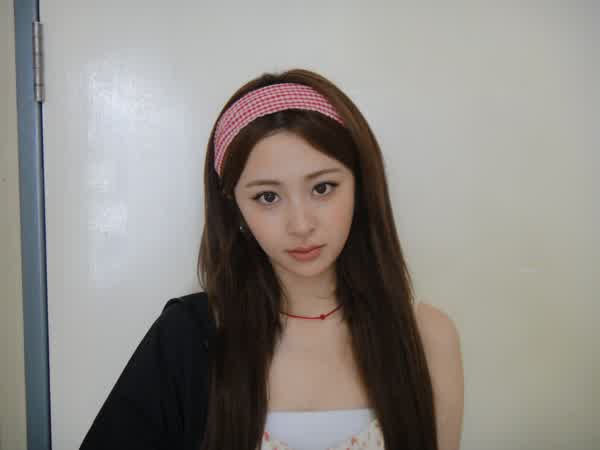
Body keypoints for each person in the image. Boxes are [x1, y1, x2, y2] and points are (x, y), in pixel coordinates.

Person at [80, 68, 464, 450]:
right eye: (268, 197)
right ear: (234, 208)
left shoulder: (427, 338)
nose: (301, 224)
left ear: (361, 188)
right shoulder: (188, 337)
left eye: (323, 188)